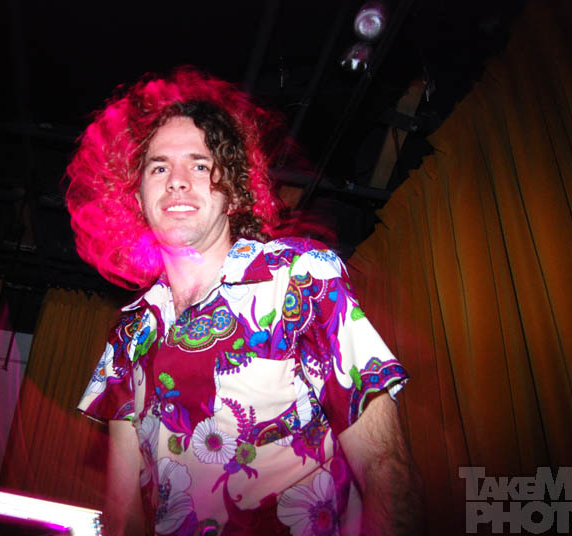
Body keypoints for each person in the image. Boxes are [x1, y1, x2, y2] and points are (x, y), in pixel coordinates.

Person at [67, 67, 422, 535]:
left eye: (199, 165)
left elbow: (384, 468)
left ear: (233, 192)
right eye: (159, 167)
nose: (177, 181)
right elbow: (122, 515)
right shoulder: (129, 333)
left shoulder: (300, 278)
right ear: (138, 197)